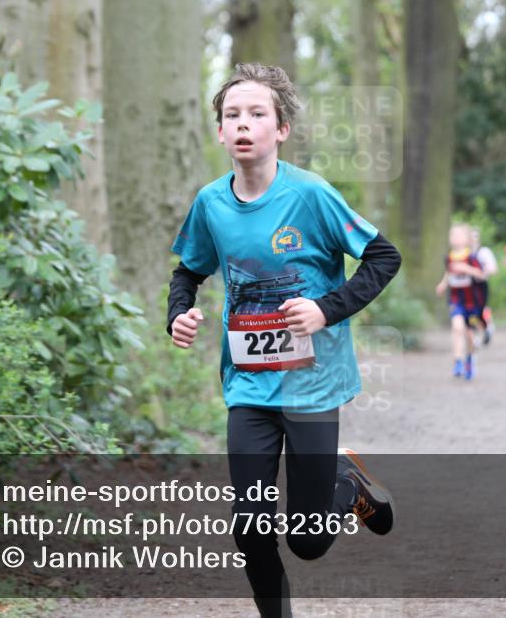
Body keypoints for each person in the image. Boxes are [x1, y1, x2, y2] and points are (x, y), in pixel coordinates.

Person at [167, 63, 401, 618]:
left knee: (308, 542)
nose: (243, 124)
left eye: (257, 114)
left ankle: (348, 482)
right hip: (248, 385)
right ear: (220, 133)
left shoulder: (311, 196)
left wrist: (325, 309)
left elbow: (383, 257)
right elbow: (187, 272)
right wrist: (179, 313)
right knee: (249, 524)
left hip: (312, 384)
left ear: (281, 129)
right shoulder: (211, 204)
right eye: (232, 116)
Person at [435, 223, 485, 380]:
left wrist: (467, 269)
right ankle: (458, 361)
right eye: (452, 235)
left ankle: (469, 358)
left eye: (458, 235)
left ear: (467, 239)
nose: (454, 238)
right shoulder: (449, 257)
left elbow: (481, 275)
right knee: (457, 327)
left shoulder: (471, 257)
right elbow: (449, 273)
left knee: (469, 335)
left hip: (471, 301)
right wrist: (443, 284)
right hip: (456, 300)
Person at [470, 228, 498, 345]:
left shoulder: (484, 252)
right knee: (470, 311)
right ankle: (474, 337)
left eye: (474, 236)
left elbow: (493, 269)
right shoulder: (464, 253)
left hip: (480, 285)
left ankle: (487, 327)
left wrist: (482, 272)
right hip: (467, 286)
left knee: (482, 310)